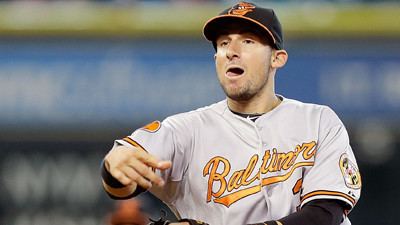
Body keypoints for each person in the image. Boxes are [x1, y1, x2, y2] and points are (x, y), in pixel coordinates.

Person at [101, 2, 362, 225]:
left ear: (277, 58)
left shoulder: (317, 120)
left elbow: (324, 214)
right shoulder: (186, 130)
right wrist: (114, 167)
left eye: (247, 41)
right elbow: (121, 184)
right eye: (224, 43)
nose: (232, 51)